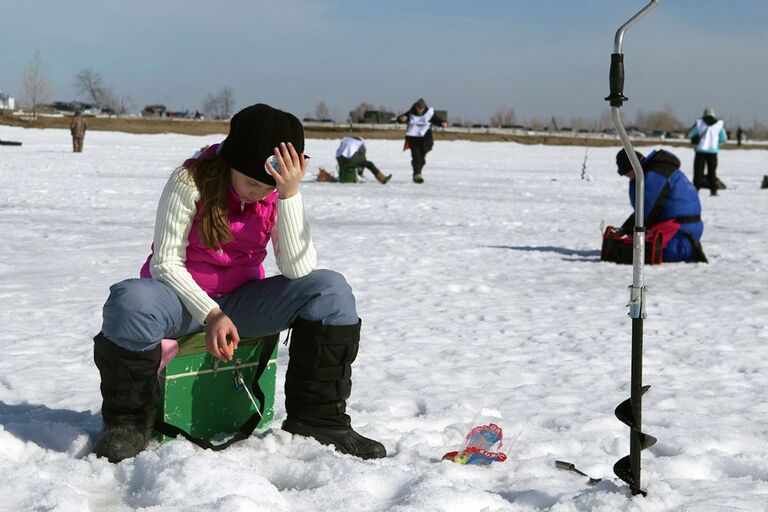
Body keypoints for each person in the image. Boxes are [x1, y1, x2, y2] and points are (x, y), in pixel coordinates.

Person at [92, 104, 386, 463]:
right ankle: (128, 423)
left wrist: (289, 195)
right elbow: (165, 263)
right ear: (231, 163)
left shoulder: (276, 193)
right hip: (180, 301)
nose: (257, 194)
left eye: (268, 187)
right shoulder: (190, 180)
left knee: (330, 290)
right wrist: (211, 314)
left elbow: (298, 268)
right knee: (130, 299)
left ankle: (319, 420)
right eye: (250, 183)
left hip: (243, 301)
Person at [602, 148, 707, 264]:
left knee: (649, 252)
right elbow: (645, 210)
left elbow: (647, 211)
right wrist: (625, 230)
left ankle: (688, 250)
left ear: (633, 167)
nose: (629, 178)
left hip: (681, 227)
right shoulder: (655, 170)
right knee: (639, 248)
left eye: (628, 174)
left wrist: (625, 230)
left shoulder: (655, 174)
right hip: (685, 225)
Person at [397, 98, 447, 183]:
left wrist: (443, 123)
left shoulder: (429, 114)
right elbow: (400, 119)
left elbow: (437, 120)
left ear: (424, 108)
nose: (420, 109)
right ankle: (417, 175)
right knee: (416, 157)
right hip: (414, 140)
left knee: (422, 159)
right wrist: (401, 119)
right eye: (418, 108)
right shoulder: (410, 113)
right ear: (415, 107)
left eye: (422, 108)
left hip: (426, 140)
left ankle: (417, 173)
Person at [688, 107, 727, 196]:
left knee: (698, 172)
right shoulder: (719, 124)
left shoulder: (699, 123)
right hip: (713, 151)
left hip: (700, 150)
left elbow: (690, 134)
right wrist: (716, 145)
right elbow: (724, 139)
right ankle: (713, 190)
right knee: (712, 172)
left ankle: (695, 190)